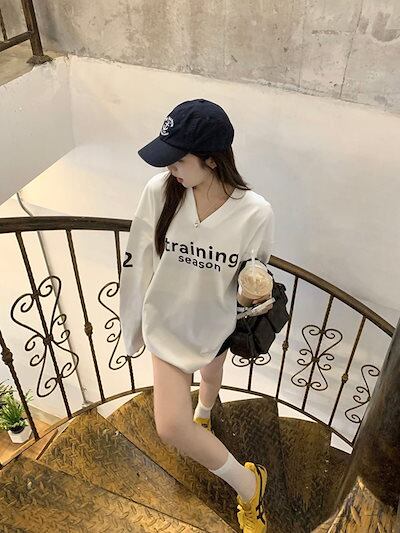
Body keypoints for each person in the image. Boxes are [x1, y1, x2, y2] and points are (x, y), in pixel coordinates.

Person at [119, 98, 275, 532]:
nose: (170, 167)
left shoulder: (256, 213)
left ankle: (205, 410)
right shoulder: (160, 191)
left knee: (210, 375)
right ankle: (250, 486)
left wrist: (253, 293)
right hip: (167, 324)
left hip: (216, 322)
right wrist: (132, 327)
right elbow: (137, 259)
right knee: (171, 426)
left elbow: (253, 275)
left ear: (212, 159)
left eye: (179, 159)